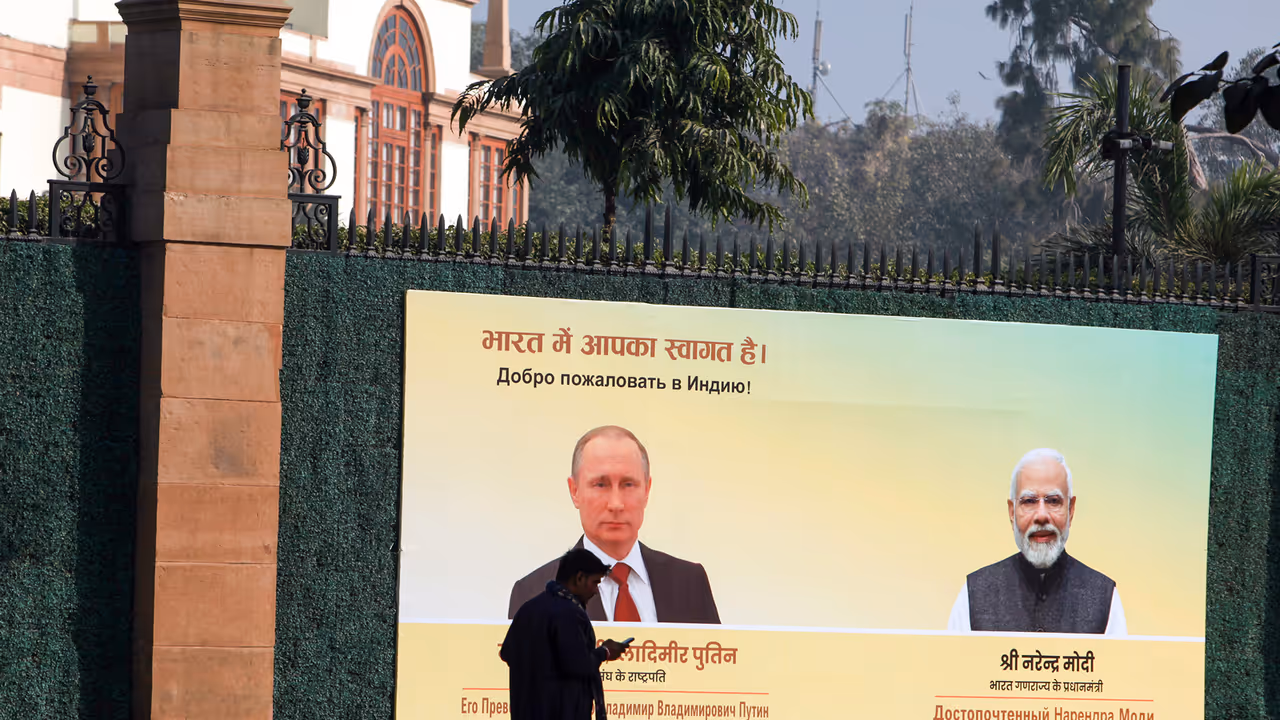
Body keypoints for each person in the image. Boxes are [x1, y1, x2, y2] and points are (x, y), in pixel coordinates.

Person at [509, 426, 720, 624]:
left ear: (647, 490)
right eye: (600, 484)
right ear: (574, 491)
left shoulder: (690, 583)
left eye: (628, 484)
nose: (616, 504)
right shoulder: (534, 593)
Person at [947, 448, 1128, 635]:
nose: (1041, 515)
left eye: (1053, 501)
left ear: (1071, 510)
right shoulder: (974, 594)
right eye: (1029, 501)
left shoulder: (1104, 598)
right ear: (1011, 512)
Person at [501, 548, 628, 720]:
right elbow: (577, 664)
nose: (596, 591)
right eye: (595, 583)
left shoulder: (528, 609)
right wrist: (605, 652)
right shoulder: (569, 613)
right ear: (580, 578)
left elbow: (507, 652)